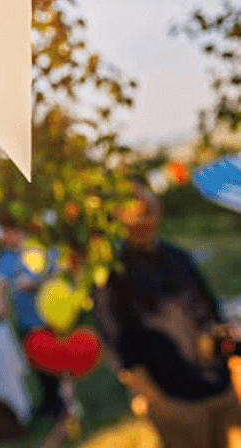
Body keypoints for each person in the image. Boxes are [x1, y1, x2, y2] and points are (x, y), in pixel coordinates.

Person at [93, 177, 241, 448]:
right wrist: (156, 401)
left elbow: (211, 315)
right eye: (131, 201)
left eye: (145, 199)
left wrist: (232, 365)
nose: (141, 206)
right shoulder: (112, 275)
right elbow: (119, 347)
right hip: (177, 400)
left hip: (220, 388)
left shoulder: (176, 256)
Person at [0, 215, 64, 419]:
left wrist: (36, 284)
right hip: (25, 320)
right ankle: (49, 400)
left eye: (4, 233)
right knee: (37, 362)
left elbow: (59, 273)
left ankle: (63, 403)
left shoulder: (40, 248)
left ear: (16, 232)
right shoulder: (5, 257)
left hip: (47, 316)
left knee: (54, 362)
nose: (1, 237)